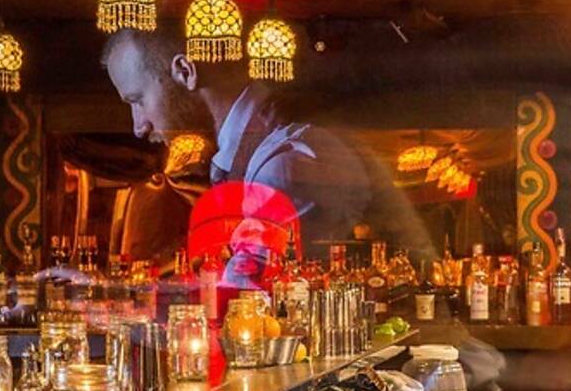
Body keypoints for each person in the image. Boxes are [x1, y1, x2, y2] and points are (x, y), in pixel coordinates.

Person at [99, 22, 430, 286]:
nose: (138, 127)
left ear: (186, 71)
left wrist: (111, 304)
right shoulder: (253, 152)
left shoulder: (284, 162)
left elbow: (242, 299)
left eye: (137, 100)